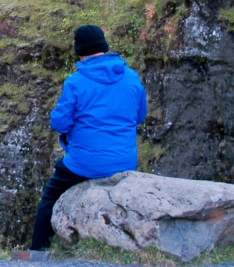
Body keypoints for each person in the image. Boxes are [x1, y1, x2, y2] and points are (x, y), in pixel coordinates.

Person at [29, 24, 147, 251]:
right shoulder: (132, 78)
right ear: (104, 47)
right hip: (124, 163)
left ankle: (37, 253)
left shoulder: (76, 82)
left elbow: (59, 123)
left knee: (49, 200)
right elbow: (140, 116)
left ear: (80, 51)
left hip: (83, 164)